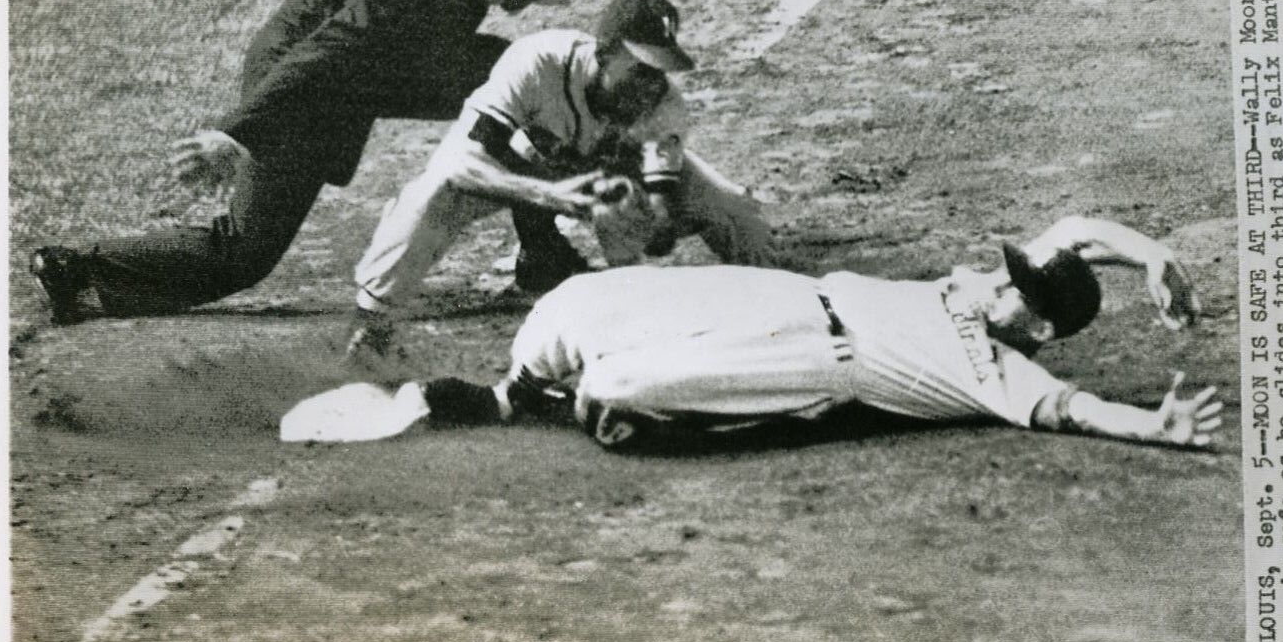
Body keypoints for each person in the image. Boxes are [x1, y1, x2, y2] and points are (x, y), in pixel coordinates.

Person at [28, 0, 582, 324]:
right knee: (243, 254)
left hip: (369, 73)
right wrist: (237, 132)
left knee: (514, 82)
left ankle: (542, 253)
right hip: (302, 88)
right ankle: (78, 269)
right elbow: (321, 54)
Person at [283, 214, 1222, 453]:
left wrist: (1154, 426)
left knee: (618, 390)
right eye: (1005, 270)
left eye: (1014, 289)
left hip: (804, 363)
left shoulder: (994, 371)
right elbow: (1078, 235)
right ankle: (499, 397)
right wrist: (1150, 255)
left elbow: (1075, 407)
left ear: (1038, 326)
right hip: (779, 292)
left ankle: (616, 414)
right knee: (574, 308)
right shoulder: (987, 290)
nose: (993, 280)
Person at [345, 0, 774, 366]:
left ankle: (782, 307)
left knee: (733, 210)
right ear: (603, 53)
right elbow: (460, 162)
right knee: (433, 193)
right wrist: (547, 193)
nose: (651, 84)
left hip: (599, 172)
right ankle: (373, 327)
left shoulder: (664, 106)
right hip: (522, 165)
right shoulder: (539, 62)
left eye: (660, 69)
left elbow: (654, 214)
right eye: (640, 67)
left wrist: (652, 222)